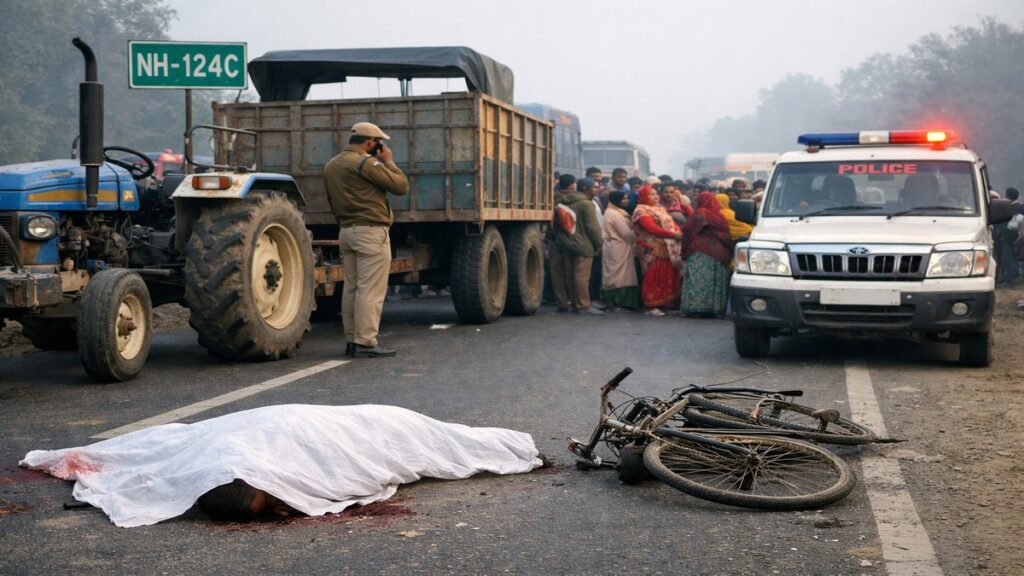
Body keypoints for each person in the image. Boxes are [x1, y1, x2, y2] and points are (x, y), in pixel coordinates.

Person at [324, 121, 409, 358]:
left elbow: (331, 200)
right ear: (370, 142)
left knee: (352, 288)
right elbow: (401, 186)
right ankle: (366, 341)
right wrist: (388, 162)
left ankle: (352, 340)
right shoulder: (365, 162)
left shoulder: (331, 165)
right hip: (371, 232)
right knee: (370, 290)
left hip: (347, 231)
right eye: (378, 143)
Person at [551, 176, 604, 314]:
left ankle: (574, 304)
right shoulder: (587, 204)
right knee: (582, 277)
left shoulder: (563, 201)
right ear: (585, 188)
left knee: (570, 275)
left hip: (566, 244)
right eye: (594, 187)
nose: (596, 190)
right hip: (583, 245)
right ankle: (584, 306)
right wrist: (598, 244)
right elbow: (592, 228)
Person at [680, 192, 734, 317]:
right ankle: (715, 309)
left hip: (701, 250)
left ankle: (696, 308)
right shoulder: (720, 215)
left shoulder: (700, 213)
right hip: (720, 251)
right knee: (716, 279)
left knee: (698, 279)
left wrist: (684, 248)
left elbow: (688, 230)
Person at [632, 185, 682, 316]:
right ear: (644, 197)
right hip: (651, 248)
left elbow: (671, 223)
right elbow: (651, 229)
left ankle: (666, 303)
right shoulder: (641, 211)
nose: (656, 197)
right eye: (651, 194)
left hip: (667, 246)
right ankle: (651, 306)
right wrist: (674, 235)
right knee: (653, 275)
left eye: (656, 194)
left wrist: (678, 232)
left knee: (667, 274)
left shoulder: (660, 208)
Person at [601, 190, 641, 311]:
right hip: (618, 247)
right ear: (616, 201)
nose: (627, 201)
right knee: (618, 276)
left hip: (619, 246)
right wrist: (637, 233)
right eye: (624, 199)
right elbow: (626, 234)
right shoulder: (614, 214)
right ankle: (616, 302)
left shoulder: (617, 212)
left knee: (621, 275)